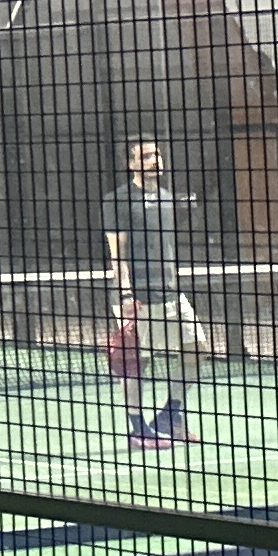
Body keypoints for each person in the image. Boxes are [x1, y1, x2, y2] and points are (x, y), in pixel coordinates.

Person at [103, 133, 206, 453]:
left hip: (171, 292)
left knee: (197, 348)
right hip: (138, 298)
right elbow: (117, 253)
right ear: (131, 163)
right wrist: (125, 294)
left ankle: (169, 417)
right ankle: (138, 430)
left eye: (157, 155)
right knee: (138, 364)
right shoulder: (118, 200)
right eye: (146, 156)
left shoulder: (165, 197)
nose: (154, 161)